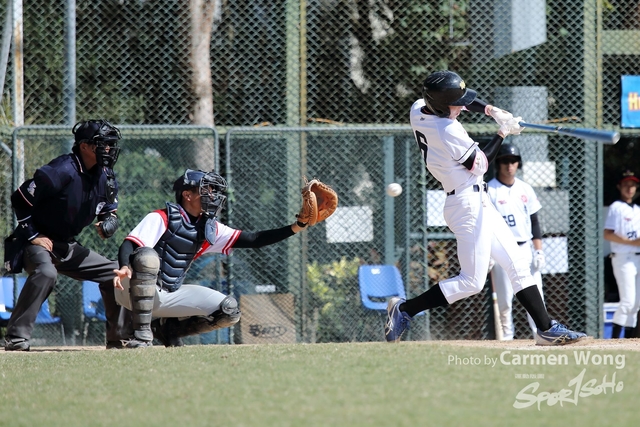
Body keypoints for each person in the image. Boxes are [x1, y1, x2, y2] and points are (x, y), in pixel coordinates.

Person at [384, 70, 586, 346]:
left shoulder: (419, 107)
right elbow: (480, 165)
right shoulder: (448, 130)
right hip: (466, 206)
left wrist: (492, 111)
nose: (462, 107)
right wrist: (503, 132)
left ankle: (546, 328)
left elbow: (459, 103)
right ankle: (405, 309)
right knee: (472, 282)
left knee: (518, 264)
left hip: (479, 202)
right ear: (442, 106)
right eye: (456, 104)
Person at [112, 169, 317, 347]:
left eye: (214, 191)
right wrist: (124, 266)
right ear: (187, 195)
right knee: (147, 257)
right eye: (207, 190)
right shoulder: (162, 217)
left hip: (168, 294)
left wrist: (297, 226)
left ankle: (167, 330)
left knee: (228, 311)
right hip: (130, 289)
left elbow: (254, 239)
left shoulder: (209, 228)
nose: (213, 196)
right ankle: (141, 335)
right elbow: (129, 244)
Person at [3, 119, 126, 351]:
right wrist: (33, 235)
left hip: (66, 246)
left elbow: (110, 211)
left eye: (110, 143)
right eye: (102, 143)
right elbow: (19, 198)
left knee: (116, 273)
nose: (108, 148)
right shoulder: (61, 170)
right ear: (84, 146)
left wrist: (109, 223)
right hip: (36, 240)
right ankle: (16, 337)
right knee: (46, 272)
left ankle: (118, 338)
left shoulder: (106, 175)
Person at [487, 143, 546, 340]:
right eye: (505, 161)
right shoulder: (490, 190)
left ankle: (541, 334)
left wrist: (539, 251)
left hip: (525, 248)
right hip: (502, 249)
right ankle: (506, 340)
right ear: (498, 163)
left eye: (513, 161)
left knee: (536, 297)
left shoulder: (525, 188)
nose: (509, 165)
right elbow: (486, 226)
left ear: (518, 164)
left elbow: (534, 222)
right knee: (505, 300)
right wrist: (489, 252)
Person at [603, 170, 640, 338]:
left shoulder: (637, 209)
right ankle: (614, 339)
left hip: (638, 257)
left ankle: (629, 340)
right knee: (627, 301)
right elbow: (608, 234)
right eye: (626, 184)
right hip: (623, 257)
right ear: (619, 186)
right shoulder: (616, 207)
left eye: (633, 185)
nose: (630, 188)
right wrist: (632, 242)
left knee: (636, 303)